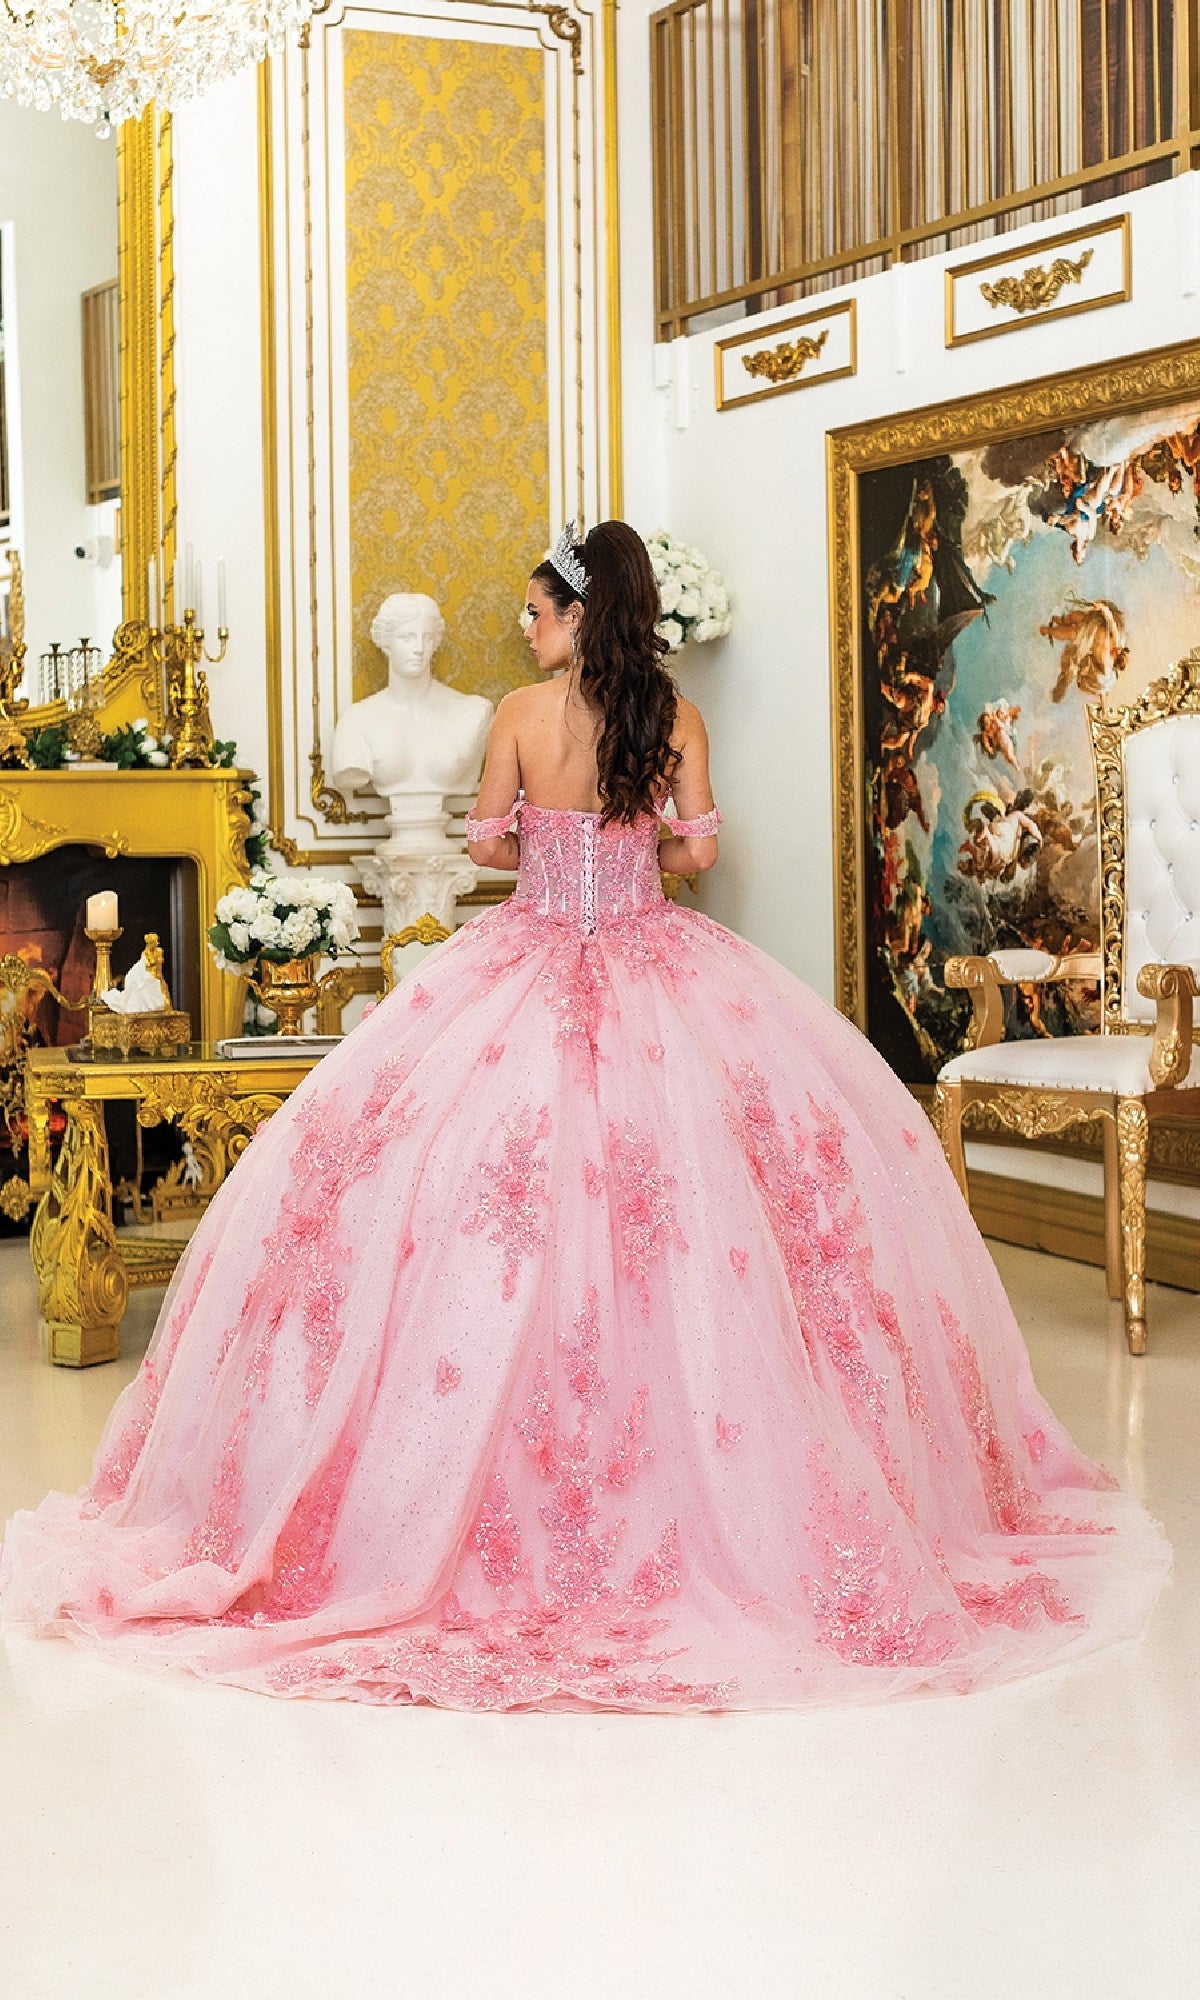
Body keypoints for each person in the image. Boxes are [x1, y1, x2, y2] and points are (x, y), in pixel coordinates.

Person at [0, 522, 1167, 1712]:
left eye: (534, 609)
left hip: (526, 960)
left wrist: (556, 844)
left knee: (465, 1200)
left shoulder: (515, 712)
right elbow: (703, 855)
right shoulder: (676, 718)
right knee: (709, 1211)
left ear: (576, 615)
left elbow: (491, 844)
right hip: (664, 965)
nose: (521, 625)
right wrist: (642, 838)